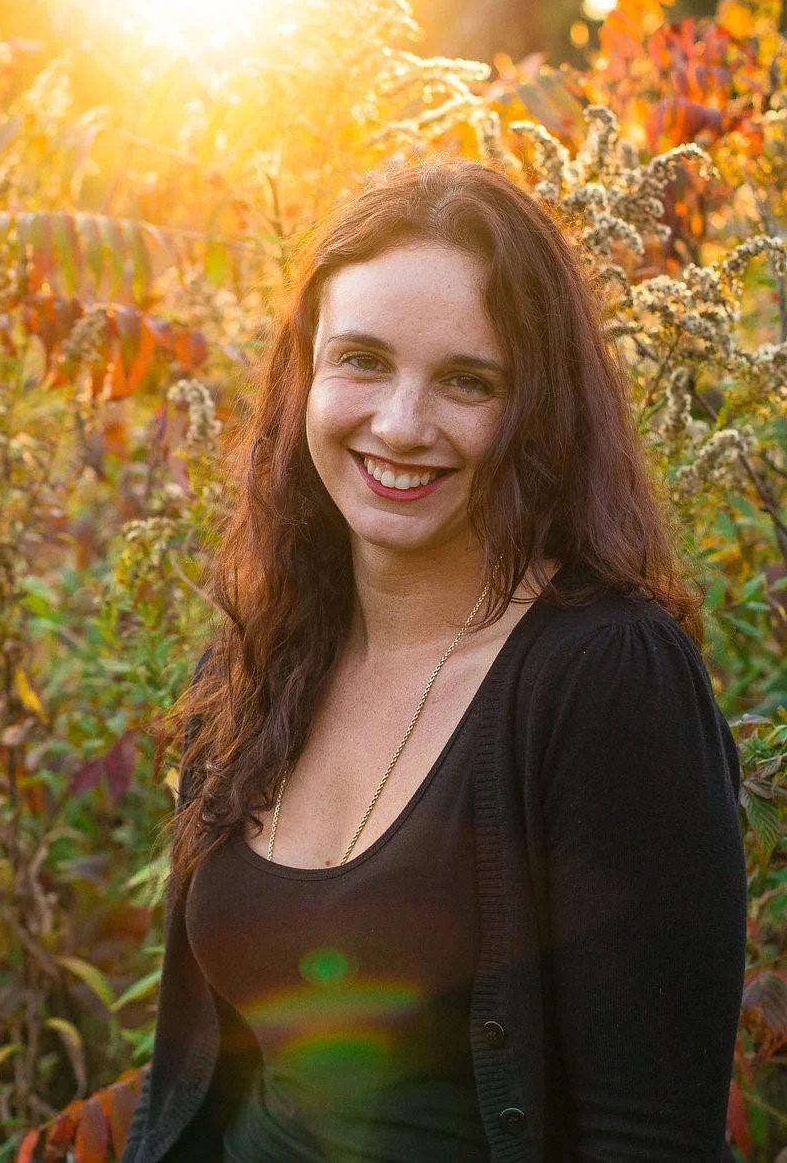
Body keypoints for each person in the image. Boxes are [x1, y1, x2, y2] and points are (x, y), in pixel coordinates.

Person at [120, 157, 747, 1162]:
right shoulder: (254, 657)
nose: (401, 425)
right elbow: (189, 1073)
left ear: (537, 410)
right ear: (304, 375)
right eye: (361, 360)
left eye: (466, 379)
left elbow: (647, 1136)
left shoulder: (606, 681)